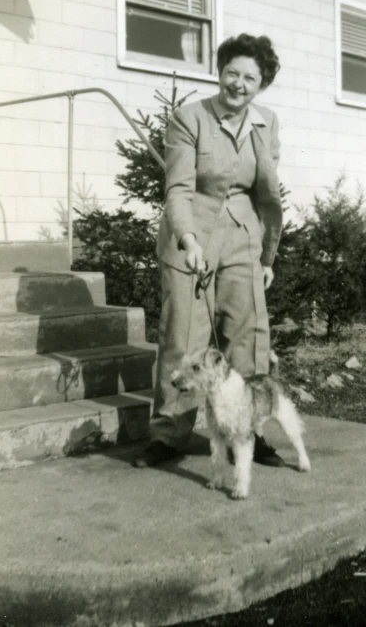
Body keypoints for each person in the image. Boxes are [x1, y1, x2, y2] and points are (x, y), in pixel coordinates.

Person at [133, 33, 285, 468]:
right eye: (232, 73)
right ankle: (168, 435)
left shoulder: (267, 123)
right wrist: (188, 240)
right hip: (192, 232)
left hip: (243, 235)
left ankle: (249, 432)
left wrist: (266, 257)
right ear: (220, 72)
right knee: (184, 336)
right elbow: (178, 190)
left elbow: (266, 194)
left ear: (262, 84)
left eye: (250, 78)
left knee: (248, 336)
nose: (238, 83)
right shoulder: (189, 118)